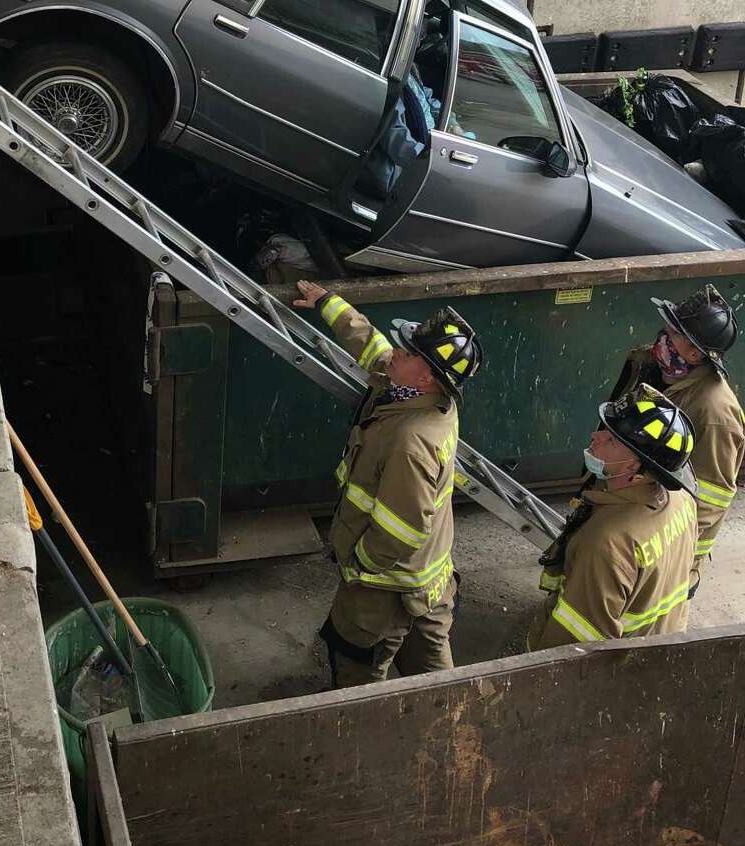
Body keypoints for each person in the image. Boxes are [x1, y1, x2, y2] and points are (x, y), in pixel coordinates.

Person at [294, 280, 483, 687]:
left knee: (359, 671)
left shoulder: (409, 442)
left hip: (385, 587)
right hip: (426, 582)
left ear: (428, 377)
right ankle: (448, 726)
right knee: (432, 675)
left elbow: (403, 529)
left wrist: (359, 566)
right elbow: (373, 348)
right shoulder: (420, 396)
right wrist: (330, 305)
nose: (397, 352)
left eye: (410, 352)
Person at [528, 383, 697, 651]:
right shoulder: (680, 500)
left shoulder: (608, 542)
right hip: (661, 646)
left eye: (611, 440)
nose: (596, 436)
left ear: (633, 467)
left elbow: (574, 643)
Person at [607, 286, 743, 592]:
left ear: (694, 352)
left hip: (661, 533)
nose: (663, 334)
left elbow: (711, 499)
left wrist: (679, 561)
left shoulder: (715, 411)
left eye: (674, 330)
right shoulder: (653, 366)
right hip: (630, 500)